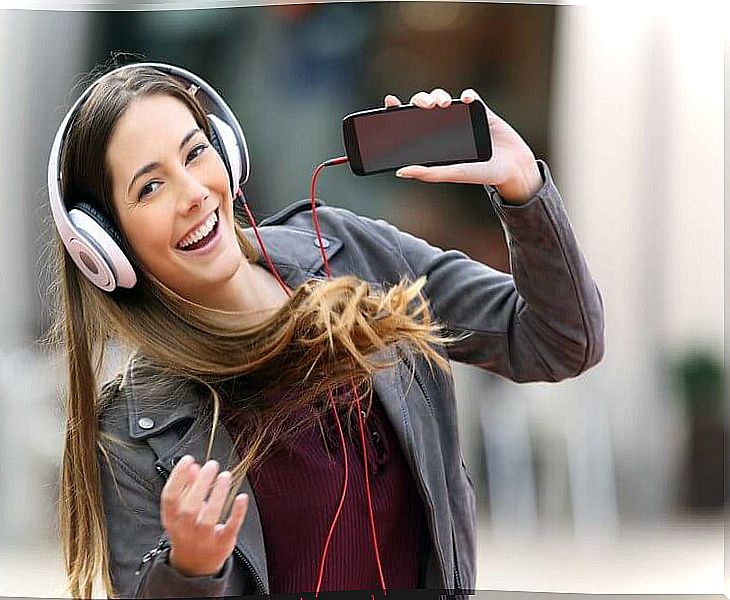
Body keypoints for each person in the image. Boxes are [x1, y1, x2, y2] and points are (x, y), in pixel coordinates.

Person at [46, 62, 604, 599]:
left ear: (227, 151)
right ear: (105, 244)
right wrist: (190, 570)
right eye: (150, 187)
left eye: (196, 153)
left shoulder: (346, 249)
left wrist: (522, 187)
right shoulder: (134, 430)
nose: (192, 192)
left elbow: (560, 341)